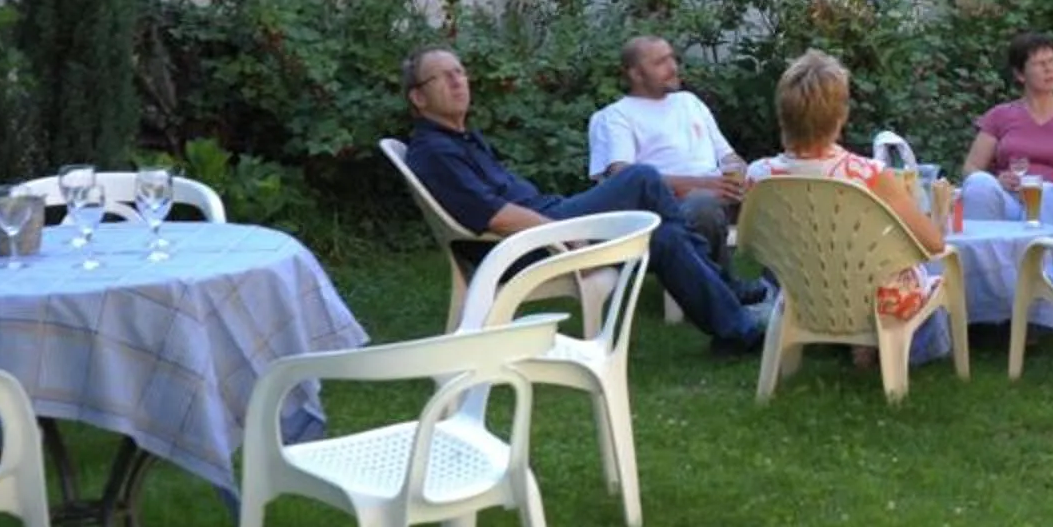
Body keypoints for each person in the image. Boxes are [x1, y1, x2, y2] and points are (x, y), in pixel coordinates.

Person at [399, 45, 768, 351]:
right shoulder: (436, 152)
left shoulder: (460, 139)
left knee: (668, 237)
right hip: (527, 245)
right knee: (641, 177)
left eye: (459, 72)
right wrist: (563, 236)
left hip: (544, 223)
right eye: (442, 77)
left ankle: (736, 332)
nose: (457, 80)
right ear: (418, 96)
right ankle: (728, 287)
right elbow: (496, 216)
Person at [744, 50, 950, 361]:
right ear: (840, 116)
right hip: (873, 301)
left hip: (802, 297)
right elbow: (933, 243)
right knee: (930, 268)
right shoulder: (869, 175)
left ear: (782, 113)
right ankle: (894, 351)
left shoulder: (758, 176)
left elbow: (753, 246)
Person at [587, 35, 749, 256]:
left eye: (672, 58)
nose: (673, 68)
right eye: (660, 63)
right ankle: (720, 277)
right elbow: (623, 177)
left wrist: (742, 176)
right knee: (702, 206)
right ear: (636, 74)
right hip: (666, 209)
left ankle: (779, 278)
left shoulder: (690, 102)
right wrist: (701, 185)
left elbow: (728, 156)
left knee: (781, 197)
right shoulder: (617, 116)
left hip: (717, 199)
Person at [956, 29, 1053, 234]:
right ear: (1020, 74)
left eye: (1052, 61)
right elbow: (970, 168)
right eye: (1038, 64)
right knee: (980, 183)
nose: (1048, 69)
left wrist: (1039, 189)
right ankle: (984, 254)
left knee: (1047, 196)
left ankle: (1039, 256)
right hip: (1008, 200)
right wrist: (998, 181)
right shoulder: (999, 116)